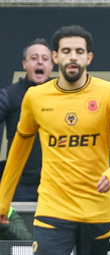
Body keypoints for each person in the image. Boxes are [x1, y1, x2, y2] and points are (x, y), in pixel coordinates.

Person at [0, 25, 110, 255]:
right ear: (56, 56)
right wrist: (4, 201)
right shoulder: (35, 97)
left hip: (97, 210)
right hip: (53, 210)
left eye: (79, 51)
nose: (72, 56)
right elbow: (17, 153)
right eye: (65, 51)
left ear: (89, 57)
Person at [0, 38, 54, 201]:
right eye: (34, 58)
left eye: (45, 59)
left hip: (55, 184)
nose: (40, 62)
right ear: (24, 64)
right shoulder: (10, 94)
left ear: (52, 66)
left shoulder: (62, 94)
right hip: (20, 185)